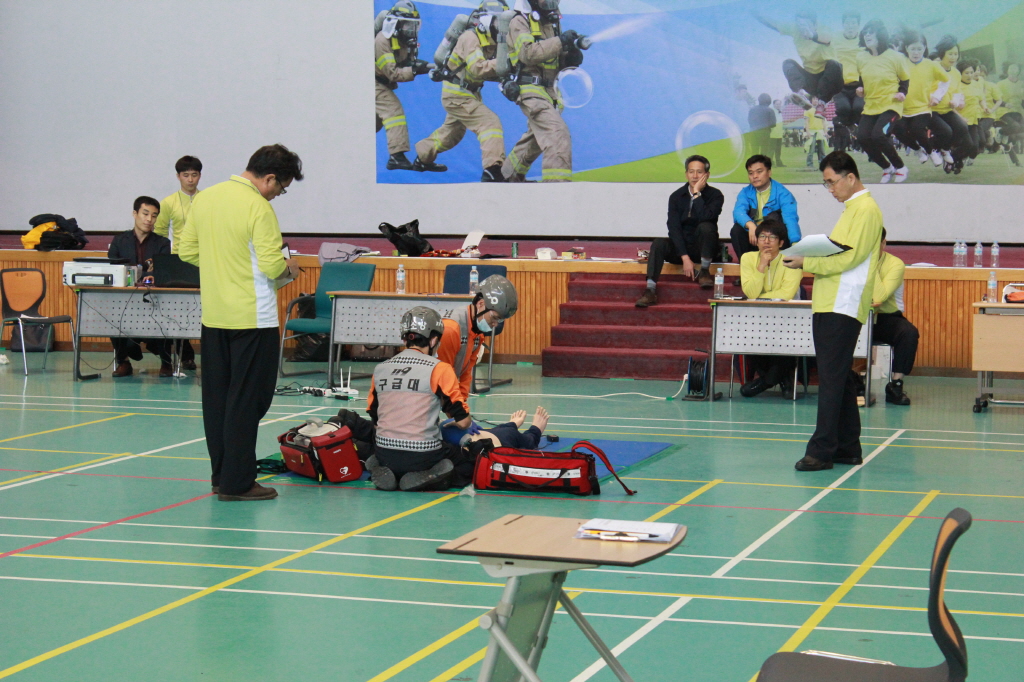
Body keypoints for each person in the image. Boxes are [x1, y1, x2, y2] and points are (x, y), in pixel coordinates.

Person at [177, 144, 303, 502]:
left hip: (214, 317)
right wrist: (290, 269)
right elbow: (271, 265)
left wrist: (222, 263)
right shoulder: (258, 207)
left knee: (217, 401)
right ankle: (238, 482)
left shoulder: (205, 198)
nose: (277, 195)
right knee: (247, 402)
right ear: (269, 178)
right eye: (281, 188)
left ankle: (221, 476)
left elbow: (186, 251)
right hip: (253, 318)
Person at [783, 151, 882, 472]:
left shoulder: (865, 210)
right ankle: (847, 447)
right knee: (838, 376)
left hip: (843, 302)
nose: (830, 189)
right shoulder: (854, 209)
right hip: (833, 300)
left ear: (850, 177)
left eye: (832, 182)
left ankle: (821, 450)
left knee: (830, 379)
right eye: (826, 183)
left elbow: (848, 259)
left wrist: (806, 261)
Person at [358, 307, 477, 491]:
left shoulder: (381, 368)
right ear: (434, 340)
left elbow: (375, 419)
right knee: (467, 463)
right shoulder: (440, 369)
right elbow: (463, 422)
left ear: (405, 339)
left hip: (384, 452)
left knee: (386, 450)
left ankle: (383, 468)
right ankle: (430, 476)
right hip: (423, 455)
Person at [415, 2, 509, 182]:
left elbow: (491, 71)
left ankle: (422, 158)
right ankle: (492, 170)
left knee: (451, 134)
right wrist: (504, 62)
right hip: (457, 94)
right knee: (490, 123)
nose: (502, 26)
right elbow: (477, 68)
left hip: (469, 94)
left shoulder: (491, 41)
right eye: (499, 21)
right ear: (487, 20)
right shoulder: (470, 37)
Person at [500, 0, 587, 182]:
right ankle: (556, 187)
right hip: (530, 90)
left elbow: (554, 58)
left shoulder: (551, 23)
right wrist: (560, 41)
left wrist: (570, 56)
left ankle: (507, 176)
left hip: (550, 92)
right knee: (556, 133)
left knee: (534, 138)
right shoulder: (520, 21)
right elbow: (528, 54)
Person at [636, 155, 724, 306]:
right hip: (682, 249)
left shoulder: (715, 195)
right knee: (658, 244)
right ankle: (650, 290)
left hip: (704, 248)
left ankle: (704, 271)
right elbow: (673, 228)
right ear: (686, 174)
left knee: (706, 226)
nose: (695, 176)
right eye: (691, 172)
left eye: (699, 172)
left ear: (707, 175)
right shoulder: (676, 196)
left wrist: (697, 194)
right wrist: (684, 257)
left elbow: (706, 216)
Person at [107, 196, 174, 378]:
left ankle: (166, 362)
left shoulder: (162, 243)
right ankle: (123, 362)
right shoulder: (119, 241)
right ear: (135, 214)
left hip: (153, 299)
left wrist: (134, 273)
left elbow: (161, 274)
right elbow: (114, 270)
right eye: (145, 214)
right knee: (112, 316)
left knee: (167, 314)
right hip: (124, 299)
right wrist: (144, 273)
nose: (149, 219)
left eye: (154, 216)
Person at [739, 218, 804, 398]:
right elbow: (750, 292)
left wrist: (759, 297)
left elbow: (786, 294)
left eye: (772, 237)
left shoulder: (791, 260)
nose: (766, 241)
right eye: (762, 236)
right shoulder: (748, 258)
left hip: (789, 317)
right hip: (757, 317)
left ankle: (766, 381)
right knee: (750, 335)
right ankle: (783, 380)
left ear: (781, 243)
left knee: (787, 338)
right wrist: (761, 266)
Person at [375, 1, 436, 172]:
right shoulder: (382, 41)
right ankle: (397, 157)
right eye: (408, 25)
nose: (412, 29)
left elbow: (408, 63)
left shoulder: (404, 40)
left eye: (414, 25)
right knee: (393, 111)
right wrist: (415, 70)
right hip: (372, 83)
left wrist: (426, 67)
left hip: (383, 83)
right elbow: (393, 73)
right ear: (396, 24)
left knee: (374, 123)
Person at [439, 274, 519, 404]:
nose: (495, 325)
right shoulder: (450, 329)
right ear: (481, 304)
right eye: (494, 318)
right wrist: (458, 411)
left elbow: (466, 373)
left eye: (499, 321)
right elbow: (442, 376)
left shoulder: (477, 333)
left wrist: (462, 404)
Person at [154, 155, 203, 370]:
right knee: (177, 309)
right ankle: (184, 355)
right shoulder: (168, 202)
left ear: (200, 176)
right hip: (178, 261)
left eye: (194, 175)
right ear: (178, 176)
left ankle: (202, 353)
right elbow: (160, 233)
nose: (190, 180)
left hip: (204, 261)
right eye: (186, 175)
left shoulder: (207, 199)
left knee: (201, 309)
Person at [853, 19, 911, 183]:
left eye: (871, 32)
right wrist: (860, 88)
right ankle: (887, 168)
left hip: (890, 105)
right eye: (865, 33)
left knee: (878, 135)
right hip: (871, 106)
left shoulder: (895, 57)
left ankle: (901, 167)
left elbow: (905, 79)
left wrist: (902, 93)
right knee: (862, 137)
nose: (867, 35)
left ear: (881, 35)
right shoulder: (861, 57)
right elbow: (863, 77)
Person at [872, 229, 919, 406]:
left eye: (874, 243)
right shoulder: (852, 261)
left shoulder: (895, 264)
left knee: (908, 333)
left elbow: (880, 297)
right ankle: (852, 379)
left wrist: (869, 265)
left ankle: (896, 384)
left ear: (883, 243)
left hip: (886, 317)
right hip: (858, 315)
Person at [758, 12, 844, 107]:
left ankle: (822, 102)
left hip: (831, 81)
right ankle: (800, 94)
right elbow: (774, 24)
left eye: (806, 25)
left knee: (834, 64)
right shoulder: (795, 29)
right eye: (800, 25)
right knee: (788, 63)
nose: (803, 29)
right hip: (812, 82)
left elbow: (827, 38)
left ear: (815, 25)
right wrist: (753, 12)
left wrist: (812, 35)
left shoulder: (824, 28)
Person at [730, 154, 801, 266]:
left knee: (779, 225)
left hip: (773, 237)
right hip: (754, 236)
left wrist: (795, 244)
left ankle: (780, 266)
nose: (755, 176)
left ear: (769, 172)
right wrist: (751, 226)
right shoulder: (745, 192)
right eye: (751, 173)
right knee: (736, 230)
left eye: (759, 172)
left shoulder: (783, 193)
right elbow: (738, 212)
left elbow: (790, 219)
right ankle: (746, 267)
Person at [891, 31, 948, 168]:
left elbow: (946, 81)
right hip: (902, 108)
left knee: (917, 130)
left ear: (924, 48)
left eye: (919, 49)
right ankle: (917, 150)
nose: (916, 53)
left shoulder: (932, 65)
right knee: (897, 129)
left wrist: (937, 96)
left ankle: (931, 151)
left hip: (922, 108)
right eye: (912, 49)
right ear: (906, 48)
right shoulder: (901, 63)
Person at [931, 35, 973, 174]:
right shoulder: (933, 67)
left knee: (962, 127)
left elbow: (957, 91)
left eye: (956, 54)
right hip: (931, 110)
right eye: (950, 54)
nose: (953, 57)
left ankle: (945, 150)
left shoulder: (955, 73)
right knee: (946, 131)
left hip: (946, 110)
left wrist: (956, 100)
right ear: (942, 53)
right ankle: (933, 148)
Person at [831, 13, 864, 152]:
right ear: (843, 25)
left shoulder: (864, 39)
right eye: (848, 23)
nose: (850, 26)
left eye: (853, 23)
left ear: (858, 25)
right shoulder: (834, 38)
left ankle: (856, 129)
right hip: (840, 85)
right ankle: (847, 127)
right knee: (844, 108)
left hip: (859, 84)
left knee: (858, 108)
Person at [443, 406, 550, 449]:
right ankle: (513, 425)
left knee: (507, 432)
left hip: (489, 437)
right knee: (511, 433)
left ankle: (513, 424)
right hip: (493, 438)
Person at [803, 96, 829, 167]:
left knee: (822, 149)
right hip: (812, 131)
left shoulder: (821, 109)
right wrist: (808, 132)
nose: (816, 100)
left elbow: (823, 121)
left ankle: (823, 163)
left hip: (820, 131)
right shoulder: (807, 110)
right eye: (814, 99)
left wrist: (825, 132)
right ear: (811, 100)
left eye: (817, 99)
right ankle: (810, 164)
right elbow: (806, 122)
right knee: (811, 149)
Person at [769, 99, 786, 166]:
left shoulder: (780, 112)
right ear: (774, 104)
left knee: (778, 149)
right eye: (777, 104)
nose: (778, 105)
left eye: (779, 104)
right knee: (771, 150)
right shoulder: (772, 112)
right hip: (773, 134)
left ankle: (778, 162)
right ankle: (771, 162)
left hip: (779, 134)